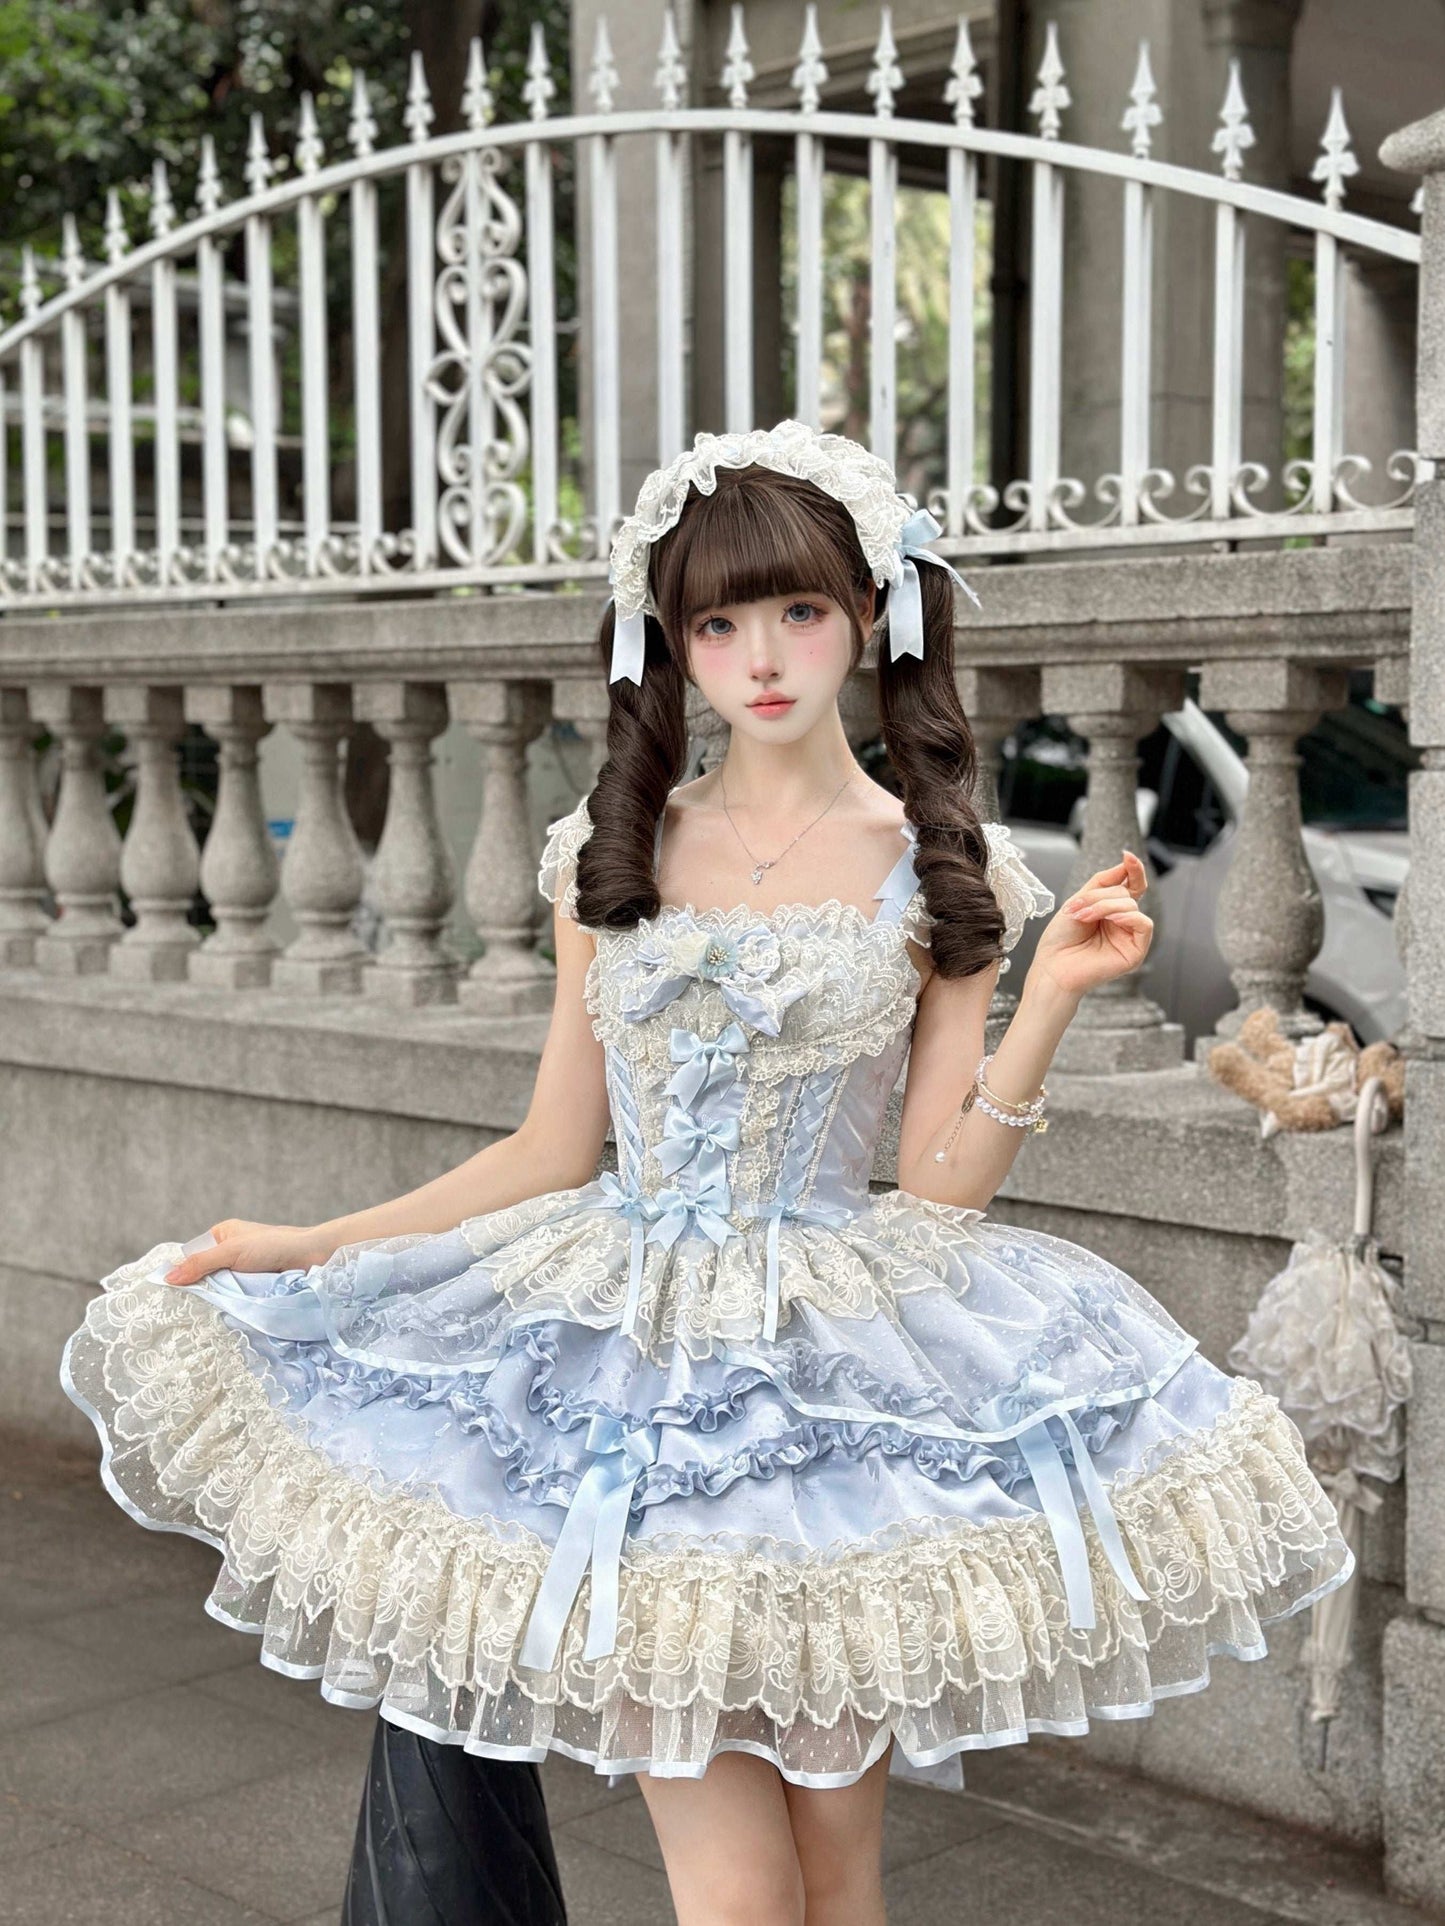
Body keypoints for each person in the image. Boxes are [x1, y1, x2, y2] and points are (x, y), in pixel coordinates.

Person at [60, 418, 1354, 1926]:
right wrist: (308, 1243)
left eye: (797, 609)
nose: (762, 656)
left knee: (837, 1876)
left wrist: (1049, 997)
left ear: (869, 611)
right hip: (633, 1385)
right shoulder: (609, 849)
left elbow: (937, 1189)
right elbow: (552, 1147)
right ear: (671, 641)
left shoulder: (942, 860)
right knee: (737, 1896)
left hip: (837, 1388)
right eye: (718, 623)